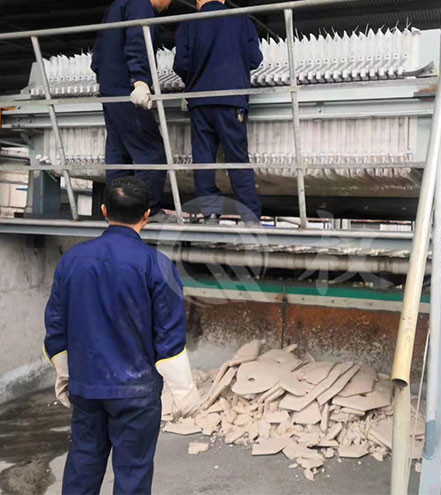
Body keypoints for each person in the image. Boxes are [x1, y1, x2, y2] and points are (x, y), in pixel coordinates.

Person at [44, 177, 200, 494]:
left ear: (104, 210)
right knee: (133, 474)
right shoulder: (158, 266)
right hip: (136, 394)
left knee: (82, 467)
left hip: (87, 388)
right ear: (147, 215)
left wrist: (64, 374)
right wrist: (184, 392)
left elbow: (56, 327)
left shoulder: (71, 261)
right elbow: (169, 339)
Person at [173, 0, 263, 224]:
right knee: (237, 158)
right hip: (232, 99)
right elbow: (255, 59)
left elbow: (181, 64)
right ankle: (250, 216)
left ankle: (211, 214)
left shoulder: (187, 24)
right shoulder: (242, 20)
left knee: (203, 159)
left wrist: (197, 78)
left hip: (200, 101)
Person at [91, 0, 174, 223]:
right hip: (127, 88)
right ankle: (149, 210)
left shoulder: (117, 5)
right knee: (151, 151)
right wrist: (140, 80)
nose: (168, 5)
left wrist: (105, 78)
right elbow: (138, 41)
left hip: (110, 88)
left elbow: (98, 50)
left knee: (118, 154)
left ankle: (118, 213)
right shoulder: (141, 5)